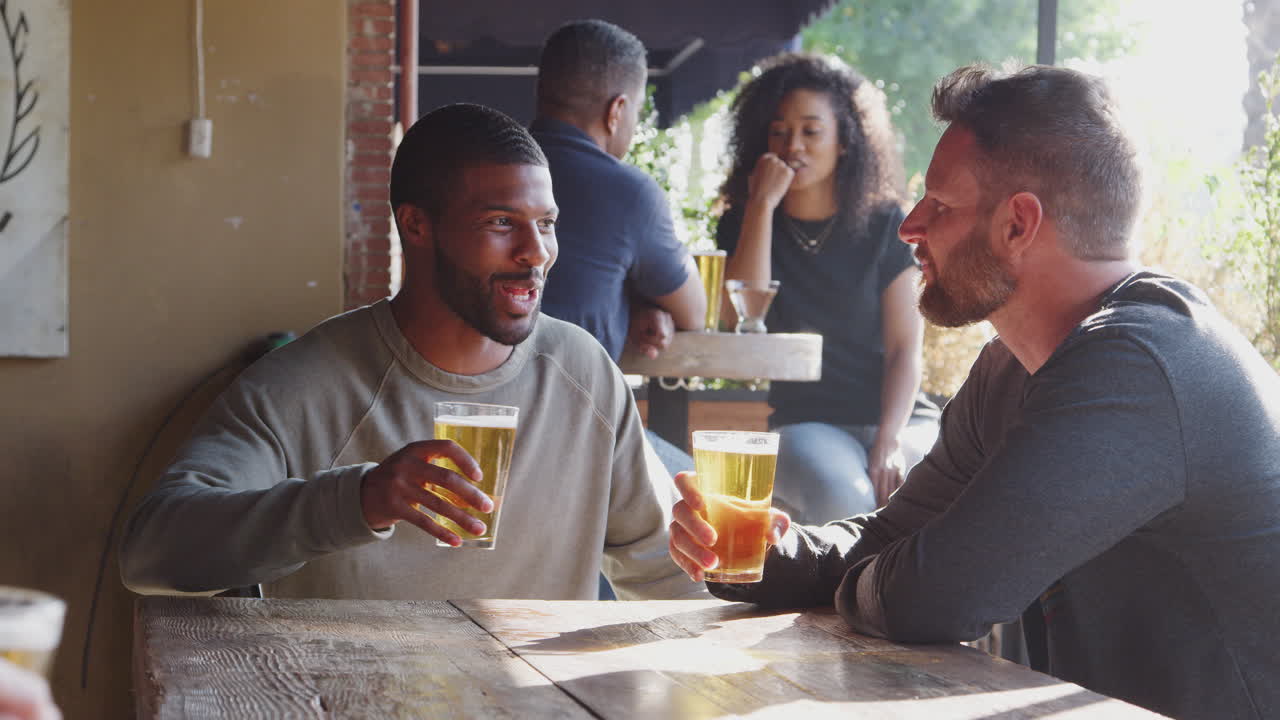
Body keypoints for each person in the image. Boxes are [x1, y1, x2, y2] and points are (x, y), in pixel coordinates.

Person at [669, 63, 1280, 720]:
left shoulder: (1139, 364)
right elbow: (894, 538)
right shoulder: (1011, 368)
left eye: (939, 204)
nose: (910, 226)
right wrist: (767, 555)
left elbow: (935, 597)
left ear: (1018, 224)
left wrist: (894, 575)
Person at [119, 103, 704, 603]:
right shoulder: (303, 385)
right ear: (417, 226)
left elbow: (665, 571)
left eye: (546, 223)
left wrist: (756, 564)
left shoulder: (583, 371)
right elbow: (149, 553)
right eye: (501, 222)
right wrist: (360, 498)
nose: (537, 253)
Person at [716, 53, 938, 523]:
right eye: (779, 131)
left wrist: (889, 441)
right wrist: (761, 206)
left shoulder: (886, 224)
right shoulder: (744, 220)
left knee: (934, 497)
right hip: (808, 423)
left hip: (901, 418)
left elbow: (905, 350)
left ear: (844, 142)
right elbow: (736, 319)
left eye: (811, 131)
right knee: (843, 497)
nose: (793, 144)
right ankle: (852, 600)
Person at [531, 19, 706, 478]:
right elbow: (695, 313)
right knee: (702, 498)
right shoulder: (628, 192)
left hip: (466, 424)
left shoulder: (488, 172)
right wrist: (645, 299)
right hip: (573, 439)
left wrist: (626, 300)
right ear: (617, 110)